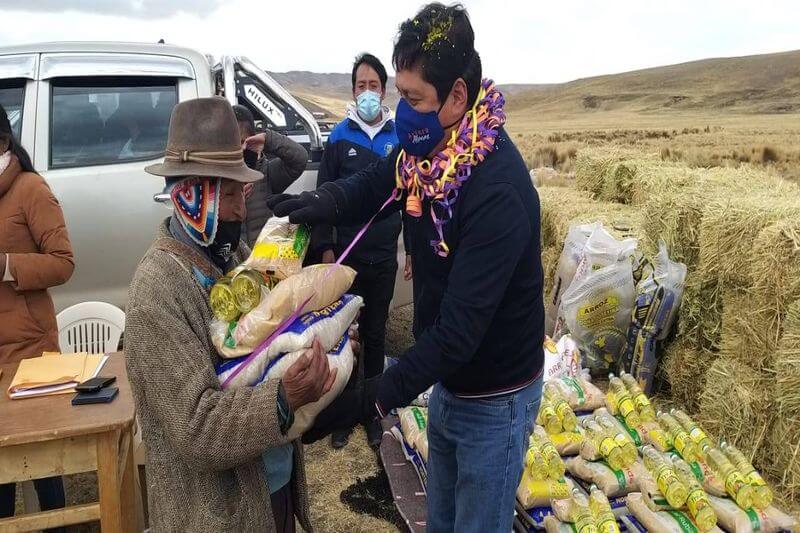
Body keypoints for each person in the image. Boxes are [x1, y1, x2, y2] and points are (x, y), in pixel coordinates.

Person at [269, 4, 544, 531]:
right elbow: (376, 181)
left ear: (457, 96)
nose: (404, 112)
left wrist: (367, 400)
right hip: (448, 385)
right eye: (401, 95)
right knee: (439, 519)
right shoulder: (430, 154)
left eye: (415, 98)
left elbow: (459, 333)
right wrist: (323, 201)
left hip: (495, 397)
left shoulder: (497, 192)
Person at [125, 97, 372, 532]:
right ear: (193, 194)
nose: (245, 205)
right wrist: (283, 398)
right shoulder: (157, 291)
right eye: (235, 192)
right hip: (215, 517)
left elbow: (274, 339)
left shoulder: (232, 256)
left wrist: (323, 343)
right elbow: (195, 427)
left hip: (269, 490)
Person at [313, 53, 402, 449]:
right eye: (360, 86)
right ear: (353, 91)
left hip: (383, 254)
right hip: (347, 256)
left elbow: (413, 199)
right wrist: (327, 248)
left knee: (377, 332)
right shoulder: (339, 137)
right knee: (345, 335)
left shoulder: (398, 137)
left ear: (384, 90)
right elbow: (324, 195)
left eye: (374, 85)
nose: (367, 92)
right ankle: (344, 413)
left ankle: (373, 411)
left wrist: (413, 250)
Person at [0, 104, 74, 529]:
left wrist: (7, 266)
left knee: (44, 466)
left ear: (3, 143)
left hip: (29, 353)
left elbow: (63, 262)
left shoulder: (30, 189)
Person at [232, 105, 308, 246]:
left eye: (245, 142)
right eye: (234, 143)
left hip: (260, 259)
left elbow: (300, 159)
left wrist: (268, 140)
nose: (241, 149)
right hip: (231, 261)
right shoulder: (216, 179)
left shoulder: (266, 173)